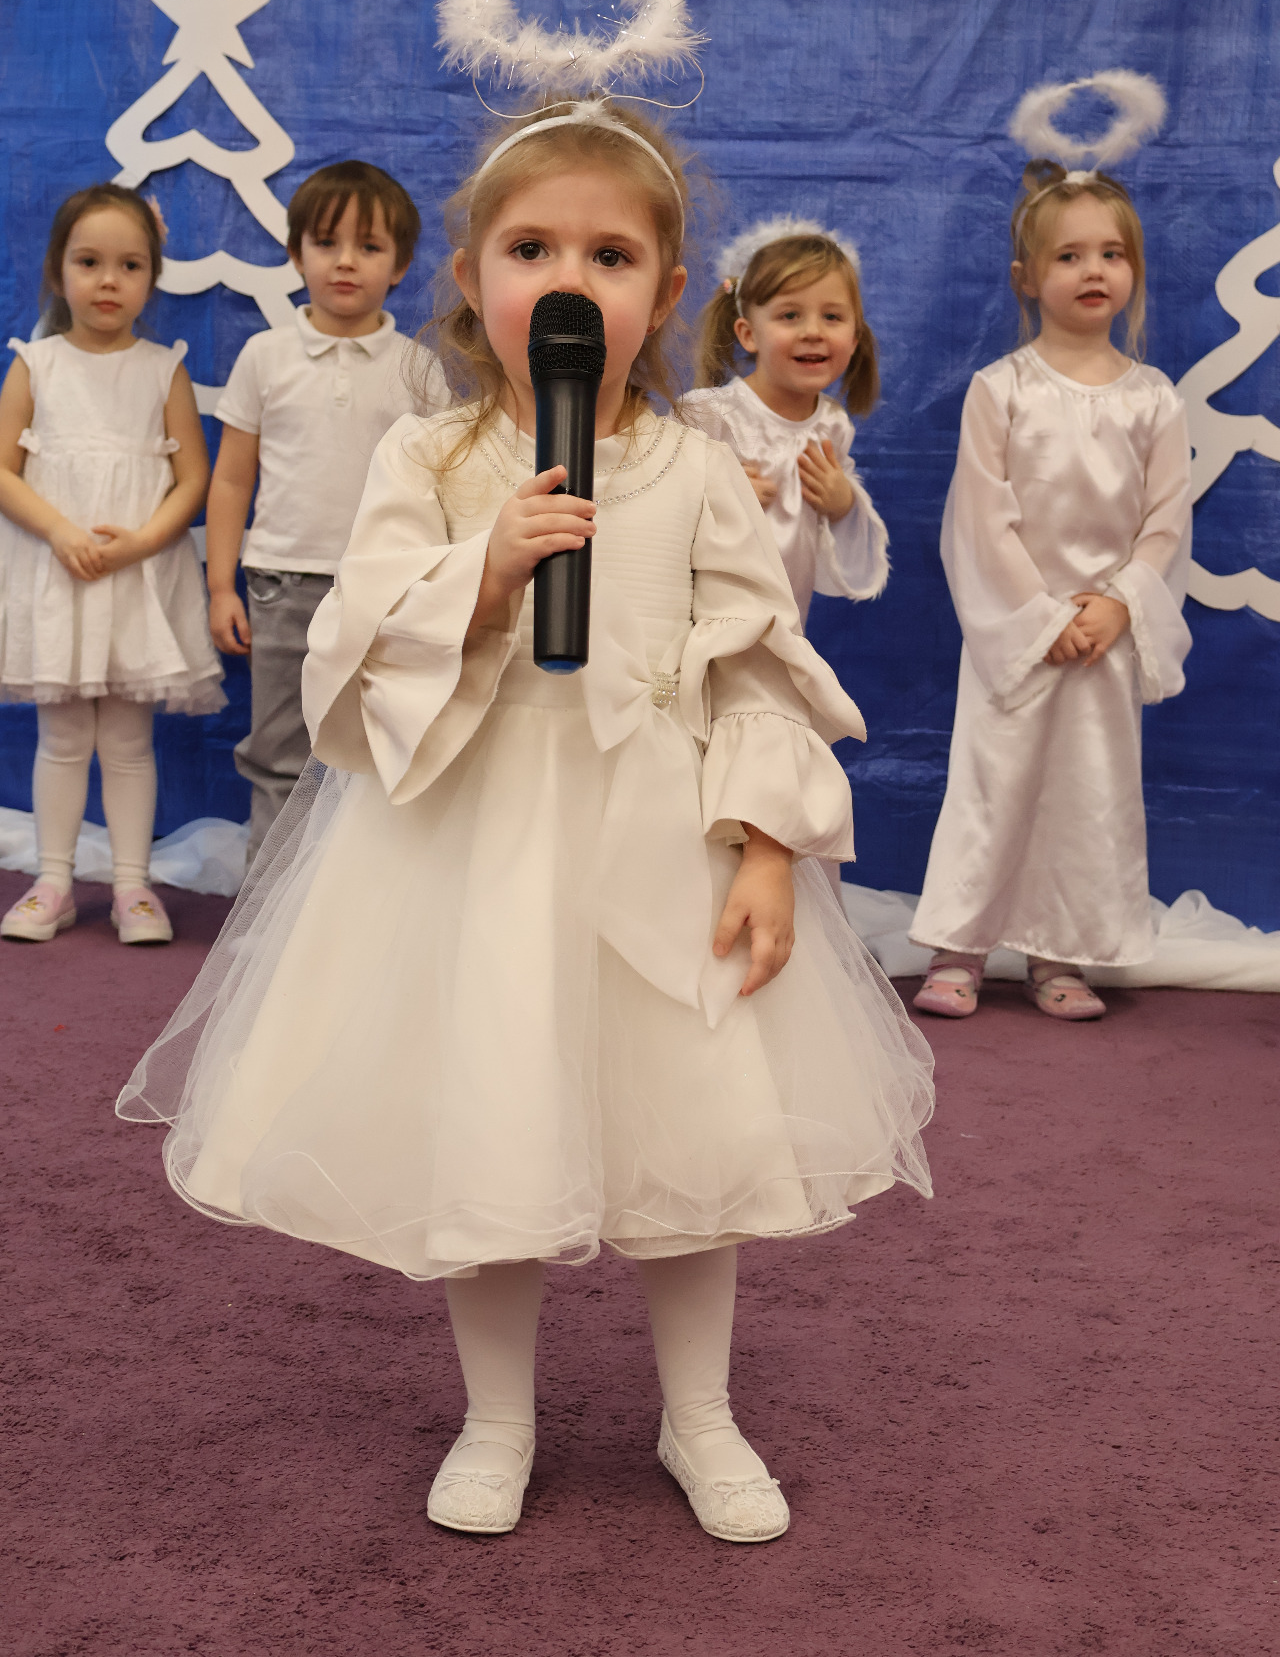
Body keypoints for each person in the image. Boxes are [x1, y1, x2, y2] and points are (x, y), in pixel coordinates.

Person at [118, 96, 933, 1544]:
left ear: (666, 298)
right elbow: (354, 658)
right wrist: (483, 576)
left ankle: (699, 1413)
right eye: (532, 249)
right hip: (473, 838)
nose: (569, 282)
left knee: (696, 1132)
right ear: (472, 279)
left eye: (610, 258)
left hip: (659, 832)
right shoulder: (429, 460)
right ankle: (498, 1416)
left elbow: (755, 661)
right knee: (487, 1114)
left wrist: (765, 847)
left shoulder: (694, 468)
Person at [909, 161, 1192, 1021]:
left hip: (1103, 638)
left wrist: (1120, 603)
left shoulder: (1154, 400)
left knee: (1086, 796)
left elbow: (1166, 522)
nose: (1092, 270)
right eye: (1068, 256)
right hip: (1019, 636)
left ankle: (1059, 954)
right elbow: (980, 519)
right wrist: (1040, 619)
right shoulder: (1002, 390)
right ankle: (959, 948)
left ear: (1133, 268)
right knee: (993, 786)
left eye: (1111, 253)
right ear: (1026, 278)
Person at [205, 160, 447, 865]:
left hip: (385, 591)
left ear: (400, 266)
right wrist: (221, 586)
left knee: (377, 752)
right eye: (326, 242)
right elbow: (231, 480)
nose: (346, 262)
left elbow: (442, 489)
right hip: (280, 586)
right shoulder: (265, 355)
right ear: (295, 253)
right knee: (280, 755)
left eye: (369, 247)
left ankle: (355, 906)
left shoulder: (419, 369)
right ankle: (264, 910)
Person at [0, 184, 221, 943]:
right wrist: (61, 531)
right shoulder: (36, 365)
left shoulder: (163, 370)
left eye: (130, 265)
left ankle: (133, 885)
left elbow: (193, 479)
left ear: (152, 277)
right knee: (62, 738)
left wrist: (141, 542)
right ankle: (53, 880)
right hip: (60, 580)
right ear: (58, 270)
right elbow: (3, 472)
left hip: (134, 582)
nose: (108, 281)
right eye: (89, 262)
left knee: (128, 742)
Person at [683, 219, 888, 626]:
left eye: (832, 316)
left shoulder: (831, 425)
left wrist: (842, 503)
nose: (813, 332)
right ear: (748, 334)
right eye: (790, 315)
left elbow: (837, 544)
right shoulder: (710, 416)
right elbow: (657, 509)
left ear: (854, 337)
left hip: (786, 625)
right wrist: (716, 493)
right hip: (705, 624)